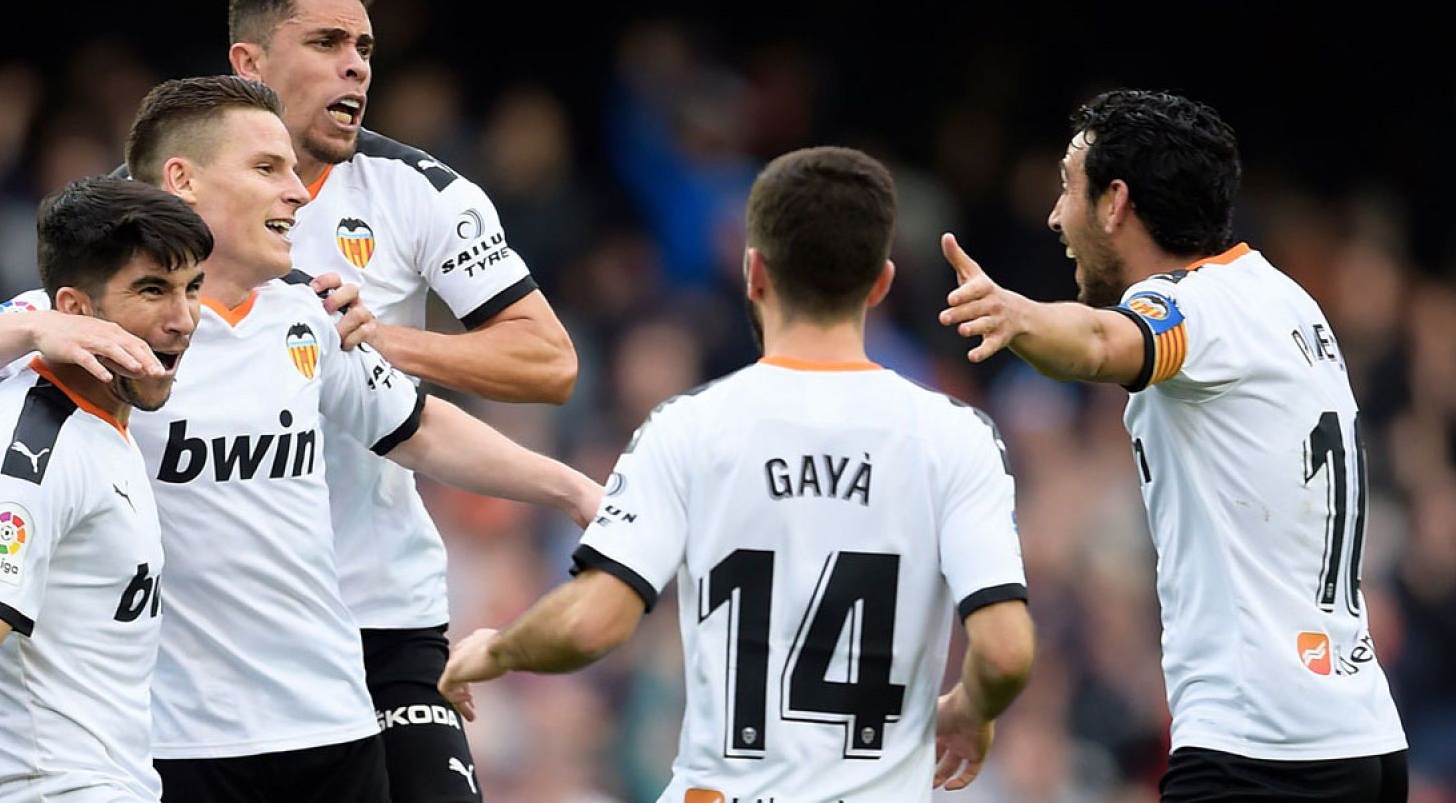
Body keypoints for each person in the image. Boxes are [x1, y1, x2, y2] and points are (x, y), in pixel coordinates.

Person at [0, 75, 603, 803]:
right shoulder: (104, 314)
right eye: (269, 169)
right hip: (175, 738)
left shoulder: (306, 312)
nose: (298, 192)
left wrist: (571, 488)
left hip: (328, 719)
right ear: (184, 181)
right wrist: (35, 325)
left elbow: (415, 426)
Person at [438, 146, 1036, 801]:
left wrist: (497, 650)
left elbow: (590, 624)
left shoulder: (686, 429)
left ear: (753, 273)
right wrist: (972, 709)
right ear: (881, 283)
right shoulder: (957, 438)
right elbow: (1005, 653)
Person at [938, 88, 1408, 802]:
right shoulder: (1281, 299)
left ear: (1115, 202)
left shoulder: (1197, 305)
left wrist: (1015, 314)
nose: (1054, 216)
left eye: (1068, 187)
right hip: (1362, 738)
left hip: (1262, 750)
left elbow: (1102, 343)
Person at [224, 0, 579, 800]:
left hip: (384, 607)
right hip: (228, 621)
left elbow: (548, 360)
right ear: (250, 63)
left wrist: (383, 337)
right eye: (327, 42)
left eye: (366, 46)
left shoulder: (420, 192)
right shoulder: (166, 204)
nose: (357, 66)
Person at [0, 176, 211, 802]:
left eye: (192, 289)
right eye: (153, 291)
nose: (183, 320)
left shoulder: (99, 414)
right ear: (74, 311)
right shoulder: (33, 449)